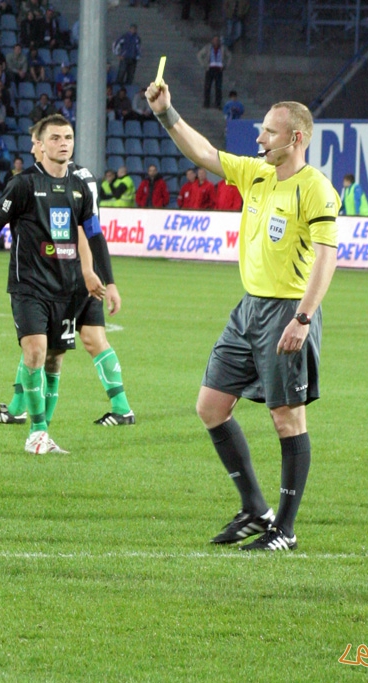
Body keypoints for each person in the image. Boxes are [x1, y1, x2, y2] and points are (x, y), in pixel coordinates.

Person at [147, 80, 339, 551]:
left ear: (295, 138)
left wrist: (303, 318)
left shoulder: (315, 189)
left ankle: (285, 530)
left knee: (287, 419)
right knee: (211, 407)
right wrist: (166, 113)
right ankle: (255, 508)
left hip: (287, 311)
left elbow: (327, 258)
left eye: (269, 132)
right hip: (248, 308)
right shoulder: (256, 173)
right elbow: (203, 153)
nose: (259, 138)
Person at [0, 114, 106, 454]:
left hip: (66, 288)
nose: (63, 143)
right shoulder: (23, 184)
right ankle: (36, 433)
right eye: (55, 138)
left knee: (54, 360)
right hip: (28, 286)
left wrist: (105, 279)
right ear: (39, 144)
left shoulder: (79, 187)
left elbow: (93, 235)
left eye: (68, 137)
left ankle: (43, 432)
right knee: (36, 351)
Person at [0, 121, 135, 428]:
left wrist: (88, 270)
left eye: (65, 138)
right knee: (59, 342)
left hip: (72, 272)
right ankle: (119, 407)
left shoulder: (77, 181)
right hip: (68, 270)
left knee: (51, 345)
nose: (33, 148)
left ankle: (27, 413)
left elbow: (86, 229)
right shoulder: (52, 179)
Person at [198, 36, 230, 109]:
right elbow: (200, 55)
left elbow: (229, 56)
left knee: (218, 87)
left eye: (217, 40)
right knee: (207, 86)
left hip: (219, 69)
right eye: (214, 40)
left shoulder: (222, 48)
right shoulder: (208, 48)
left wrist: (225, 65)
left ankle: (218, 103)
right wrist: (204, 64)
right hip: (210, 68)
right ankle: (206, 103)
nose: (216, 42)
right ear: (212, 41)